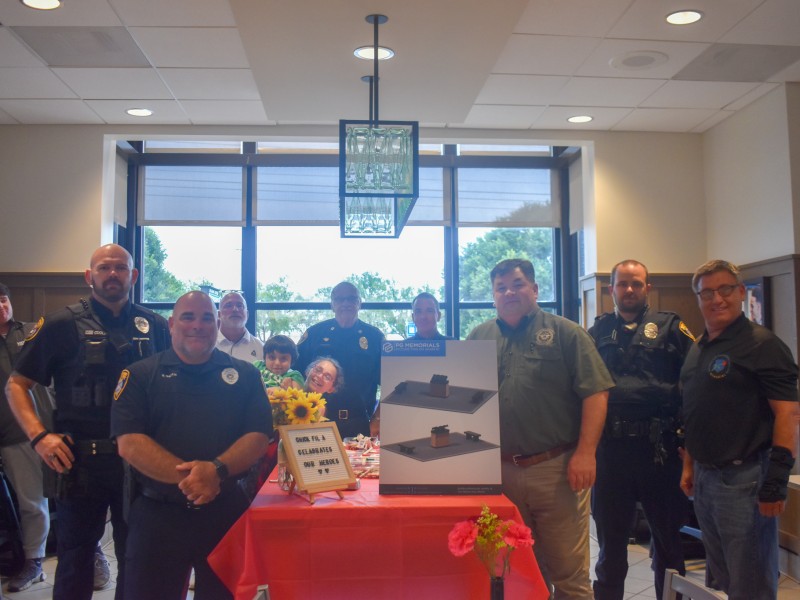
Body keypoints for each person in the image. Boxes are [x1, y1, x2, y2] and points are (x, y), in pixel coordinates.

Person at [4, 244, 171, 600]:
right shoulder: (60, 324)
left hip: (140, 462)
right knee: (75, 561)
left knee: (138, 557)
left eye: (121, 268)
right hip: (79, 461)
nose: (113, 274)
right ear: (88, 276)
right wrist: (39, 437)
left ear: (134, 276)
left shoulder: (155, 325)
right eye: (104, 268)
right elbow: (17, 385)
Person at [467, 258, 613, 600]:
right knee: (516, 573)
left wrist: (586, 453)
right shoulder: (478, 336)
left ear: (534, 289)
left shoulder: (566, 333)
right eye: (500, 288)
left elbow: (596, 393)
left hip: (556, 470)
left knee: (568, 575)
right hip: (499, 473)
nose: (509, 292)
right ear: (493, 297)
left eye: (517, 284)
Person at [111, 291, 272, 600]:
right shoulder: (139, 375)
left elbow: (259, 435)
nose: (197, 325)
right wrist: (195, 480)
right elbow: (129, 442)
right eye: (188, 317)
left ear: (218, 323)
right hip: (158, 515)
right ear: (172, 324)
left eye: (207, 318)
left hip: (226, 512)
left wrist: (217, 471)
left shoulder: (246, 375)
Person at [680, 260, 798, 600]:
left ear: (741, 292)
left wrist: (775, 484)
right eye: (708, 293)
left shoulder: (763, 345)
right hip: (705, 478)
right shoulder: (699, 347)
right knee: (727, 579)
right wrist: (690, 465)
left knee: (751, 584)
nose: (717, 299)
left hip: (745, 480)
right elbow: (693, 411)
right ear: (699, 298)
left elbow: (788, 416)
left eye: (725, 289)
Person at [588, 260, 694, 600]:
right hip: (612, 452)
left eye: (636, 284)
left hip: (658, 451)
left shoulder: (672, 328)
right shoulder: (598, 332)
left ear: (647, 288)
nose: (629, 290)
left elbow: (695, 382)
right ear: (611, 290)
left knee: (668, 542)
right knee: (610, 546)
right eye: (622, 284)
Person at [0, 283, 51, 592]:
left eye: (3, 299)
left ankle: (37, 558)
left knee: (51, 499)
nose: (1, 306)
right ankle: (31, 558)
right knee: (29, 500)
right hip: (8, 435)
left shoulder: (34, 332)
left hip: (40, 430)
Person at [296, 282, 383, 439]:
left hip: (361, 423)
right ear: (332, 304)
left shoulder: (374, 337)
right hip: (317, 421)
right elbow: (296, 375)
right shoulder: (314, 334)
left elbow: (391, 384)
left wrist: (377, 418)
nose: (346, 303)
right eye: (340, 299)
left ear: (359, 303)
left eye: (351, 299)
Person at [215, 291, 263, 361]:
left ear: (247, 314)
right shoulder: (207, 346)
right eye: (228, 305)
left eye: (240, 305)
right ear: (219, 314)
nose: (235, 309)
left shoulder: (260, 348)